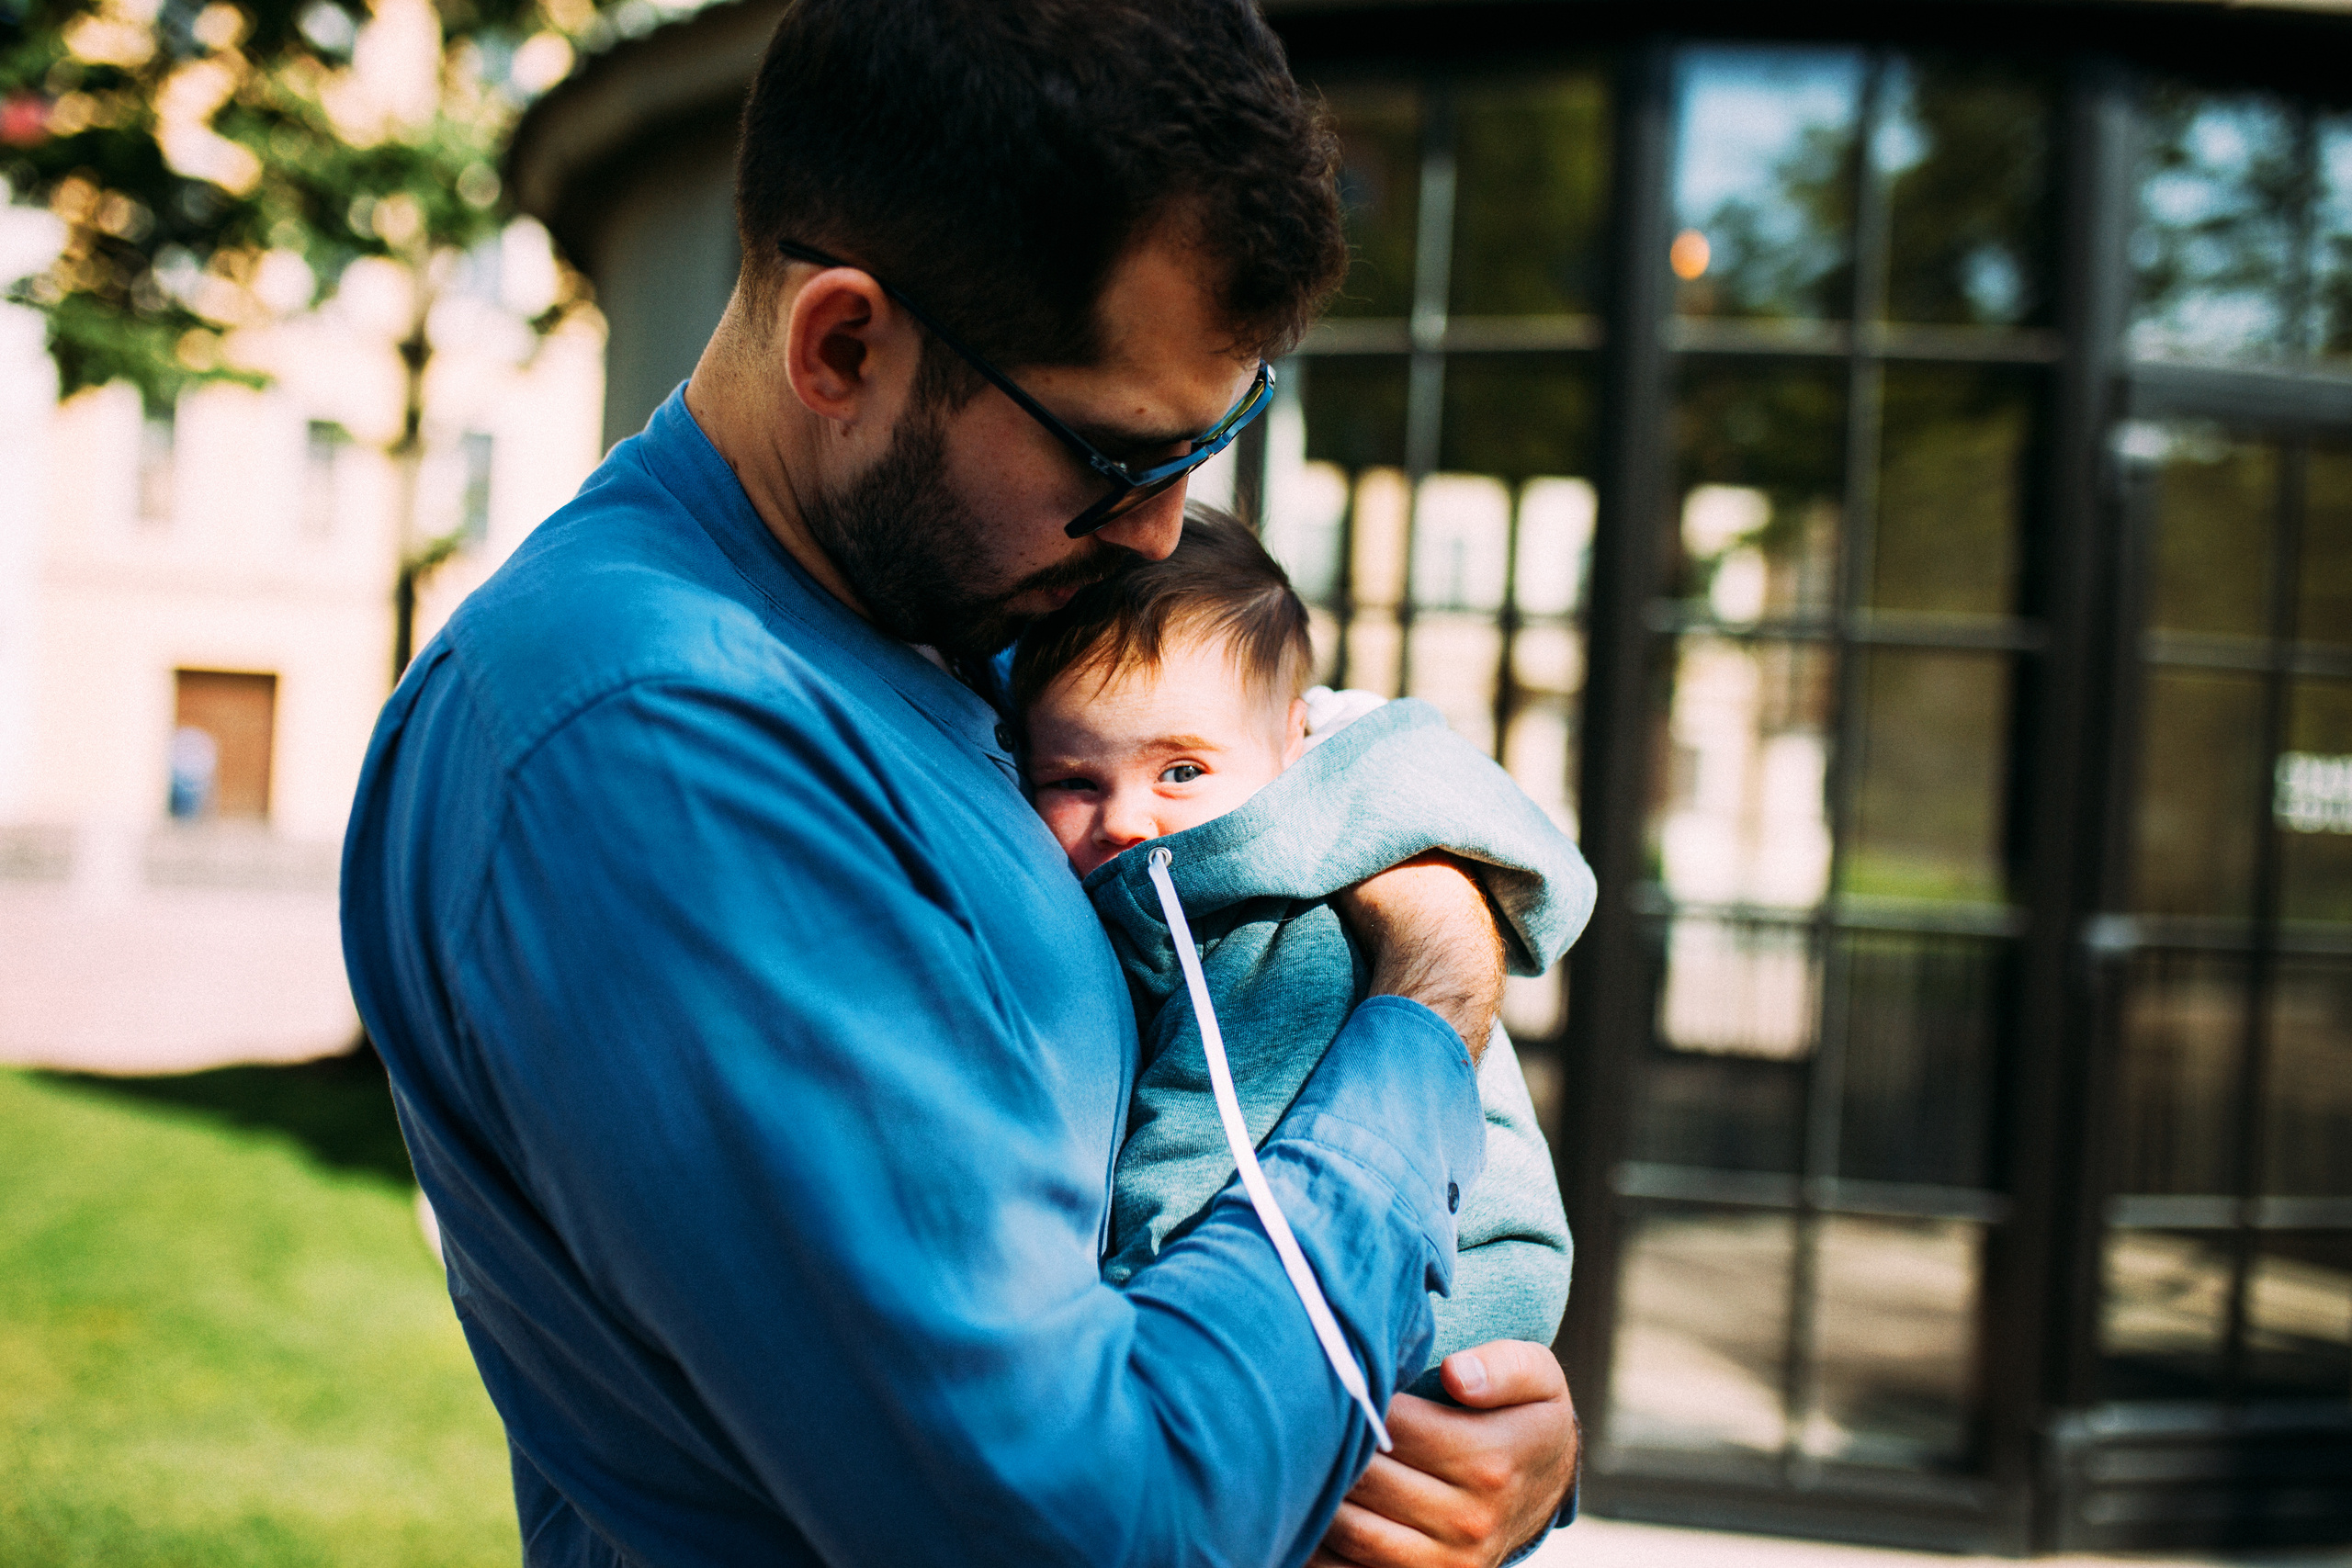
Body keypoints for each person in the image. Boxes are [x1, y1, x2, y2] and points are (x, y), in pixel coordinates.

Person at [340, 1, 1581, 1562]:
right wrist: (1431, 1003)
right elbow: (1091, 1525)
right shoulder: (651, 735)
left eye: (1214, 439)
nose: (1158, 533)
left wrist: (1460, 1442)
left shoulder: (956, 615)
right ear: (845, 343)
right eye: (1115, 456)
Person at [1012, 507, 1593, 1399]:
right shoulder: (1211, 887)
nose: (1126, 818)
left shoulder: (1276, 931)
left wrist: (1143, 1301)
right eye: (1073, 781)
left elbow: (1213, 1141)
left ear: (1293, 744)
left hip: (1429, 1301)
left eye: (1180, 772)